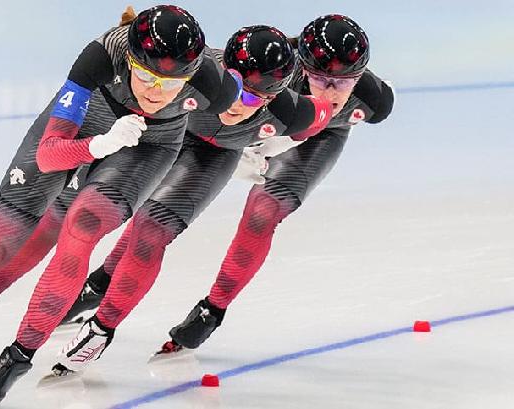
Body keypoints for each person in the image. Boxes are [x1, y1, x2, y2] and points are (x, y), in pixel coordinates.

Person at [0, 5, 239, 400]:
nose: (156, 91)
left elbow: (264, 113)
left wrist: (263, 146)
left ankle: (17, 357)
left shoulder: (217, 87)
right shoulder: (98, 58)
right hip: (85, 125)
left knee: (81, 227)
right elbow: (49, 154)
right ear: (131, 61)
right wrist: (98, 145)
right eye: (147, 76)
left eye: (172, 84)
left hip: (149, 145)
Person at [59, 13, 394, 358]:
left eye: (345, 82)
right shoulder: (269, 74)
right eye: (320, 79)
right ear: (302, 68)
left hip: (315, 136)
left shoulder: (372, 100)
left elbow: (326, 115)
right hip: (246, 134)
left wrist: (263, 147)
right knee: (155, 209)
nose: (332, 91)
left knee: (263, 211)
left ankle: (212, 310)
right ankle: (100, 283)